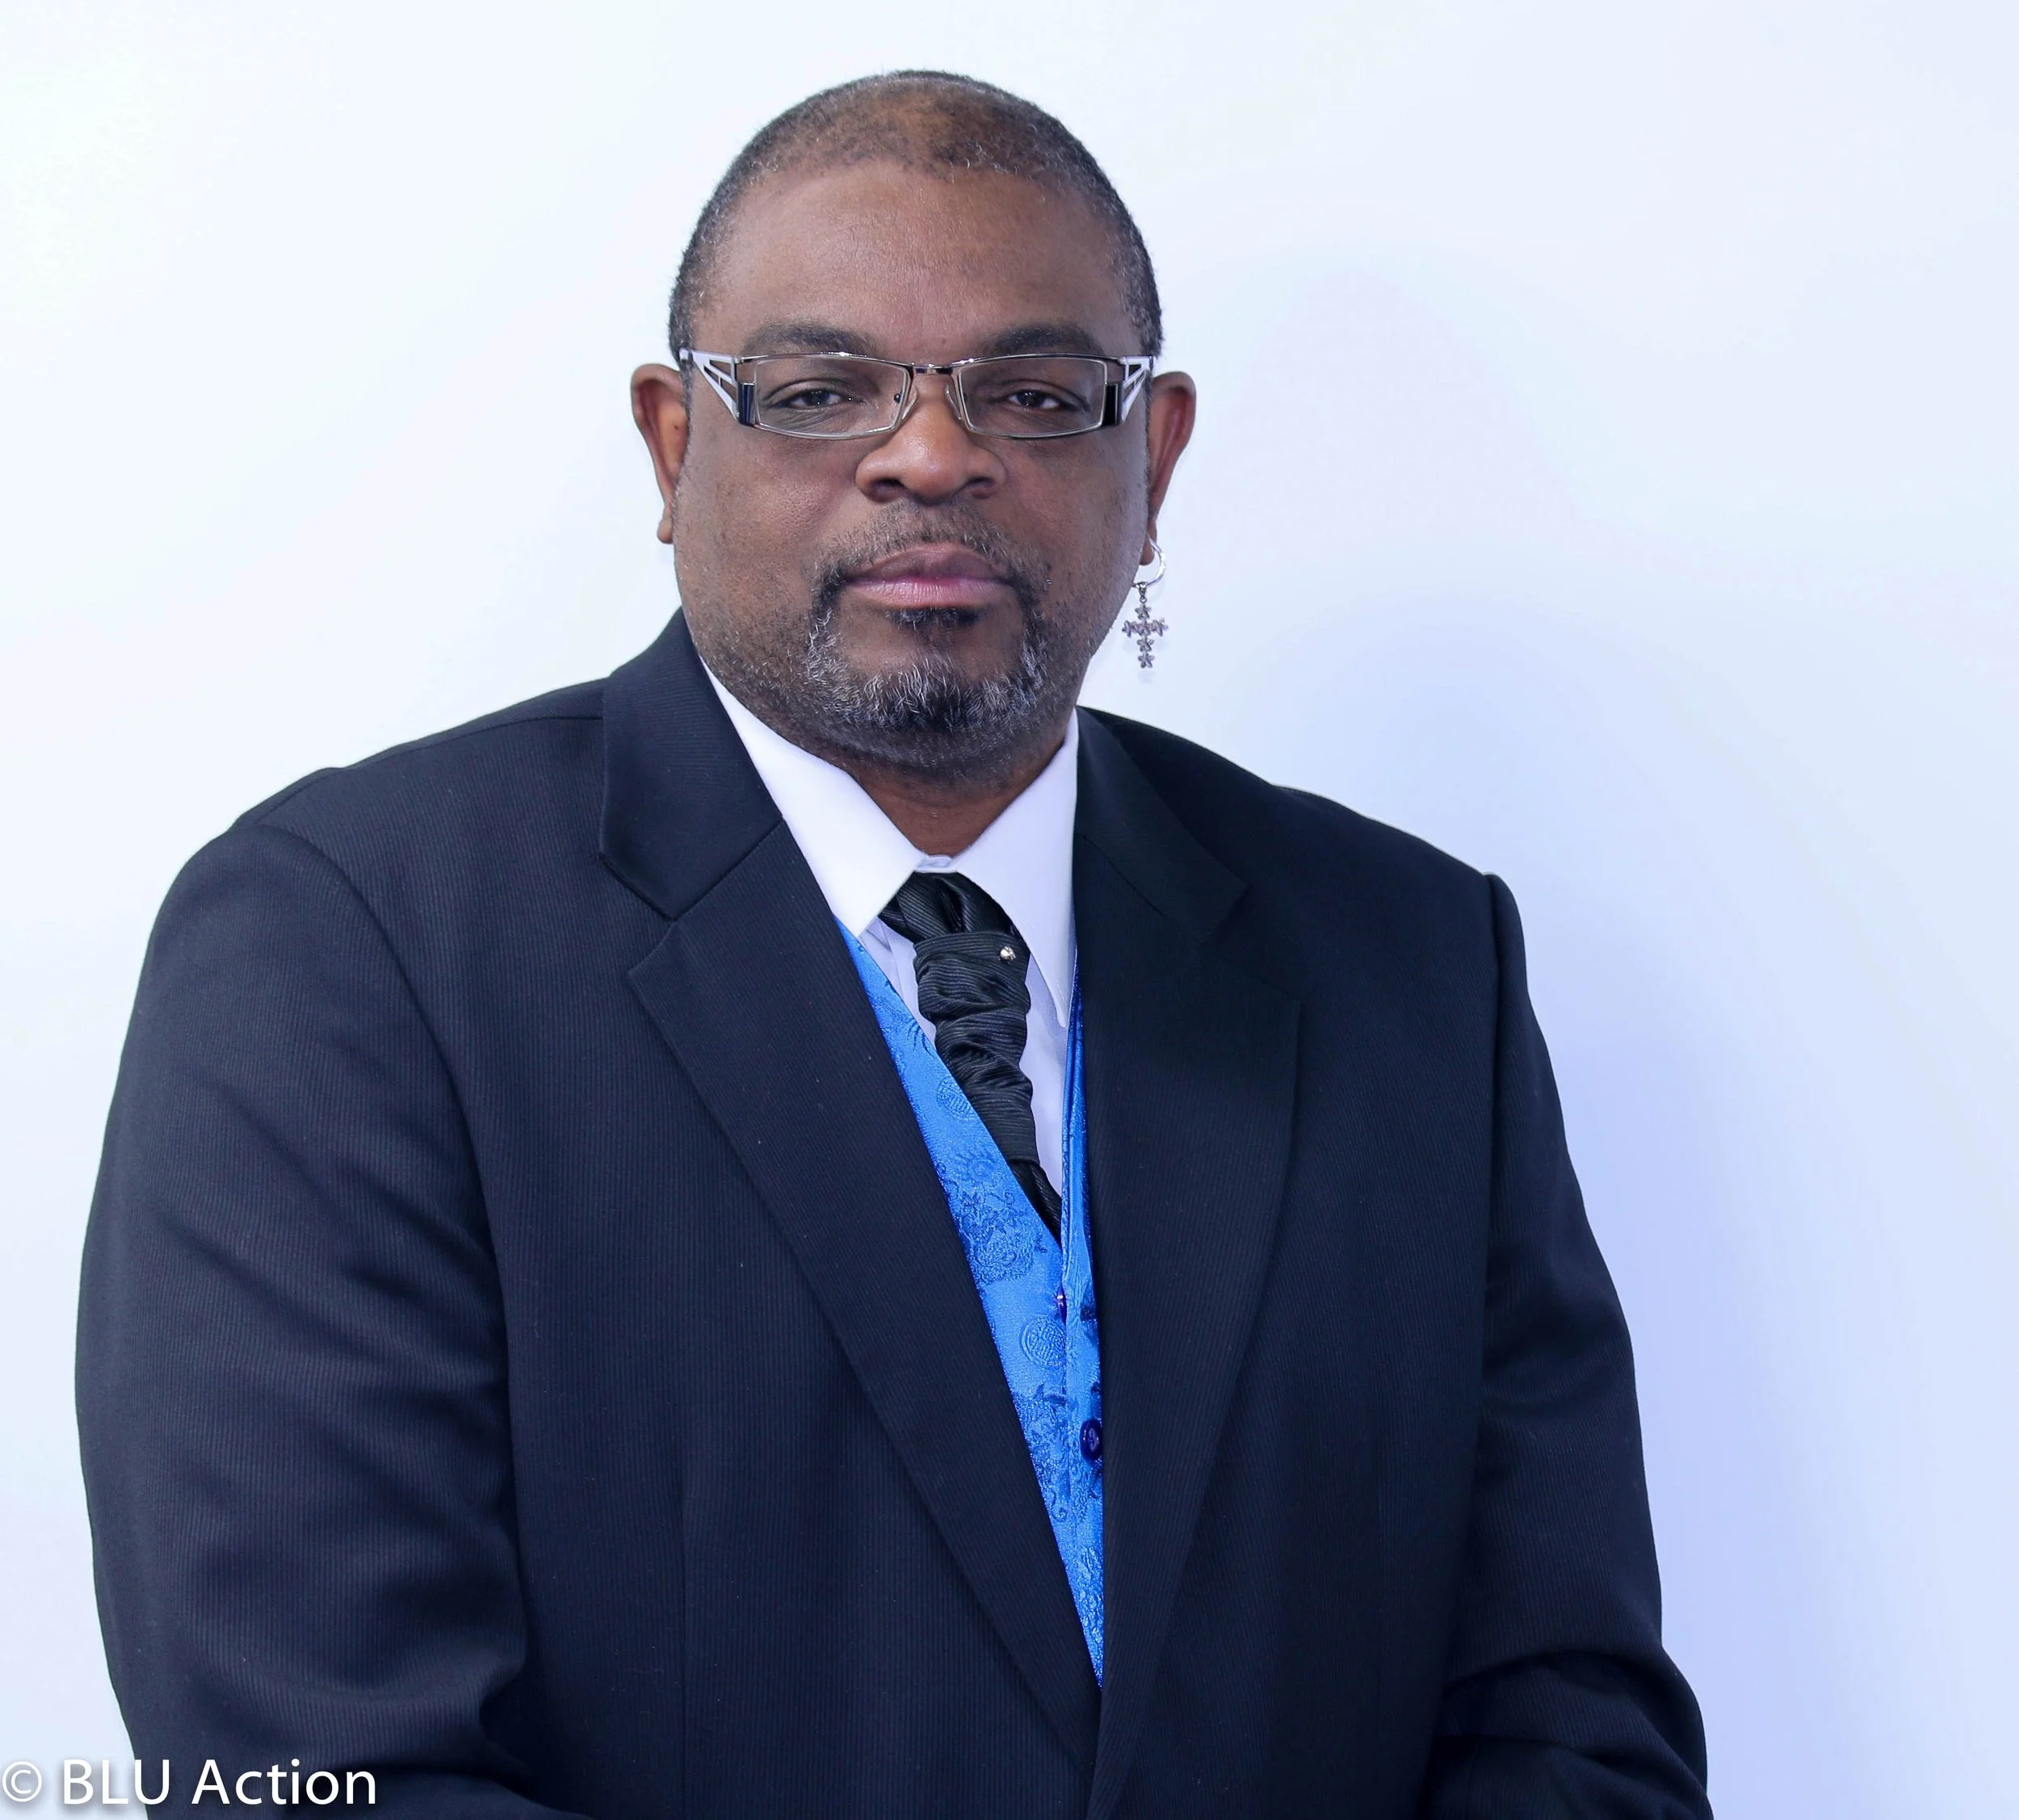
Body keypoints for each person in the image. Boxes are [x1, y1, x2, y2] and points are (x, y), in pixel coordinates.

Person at [78, 70, 1711, 1819]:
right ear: (670, 442)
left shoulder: (1404, 963)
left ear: (1146, 459)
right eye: (814, 387)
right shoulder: (349, 951)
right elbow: (318, 1768)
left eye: (1028, 391)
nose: (929, 455)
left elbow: (1567, 1724)